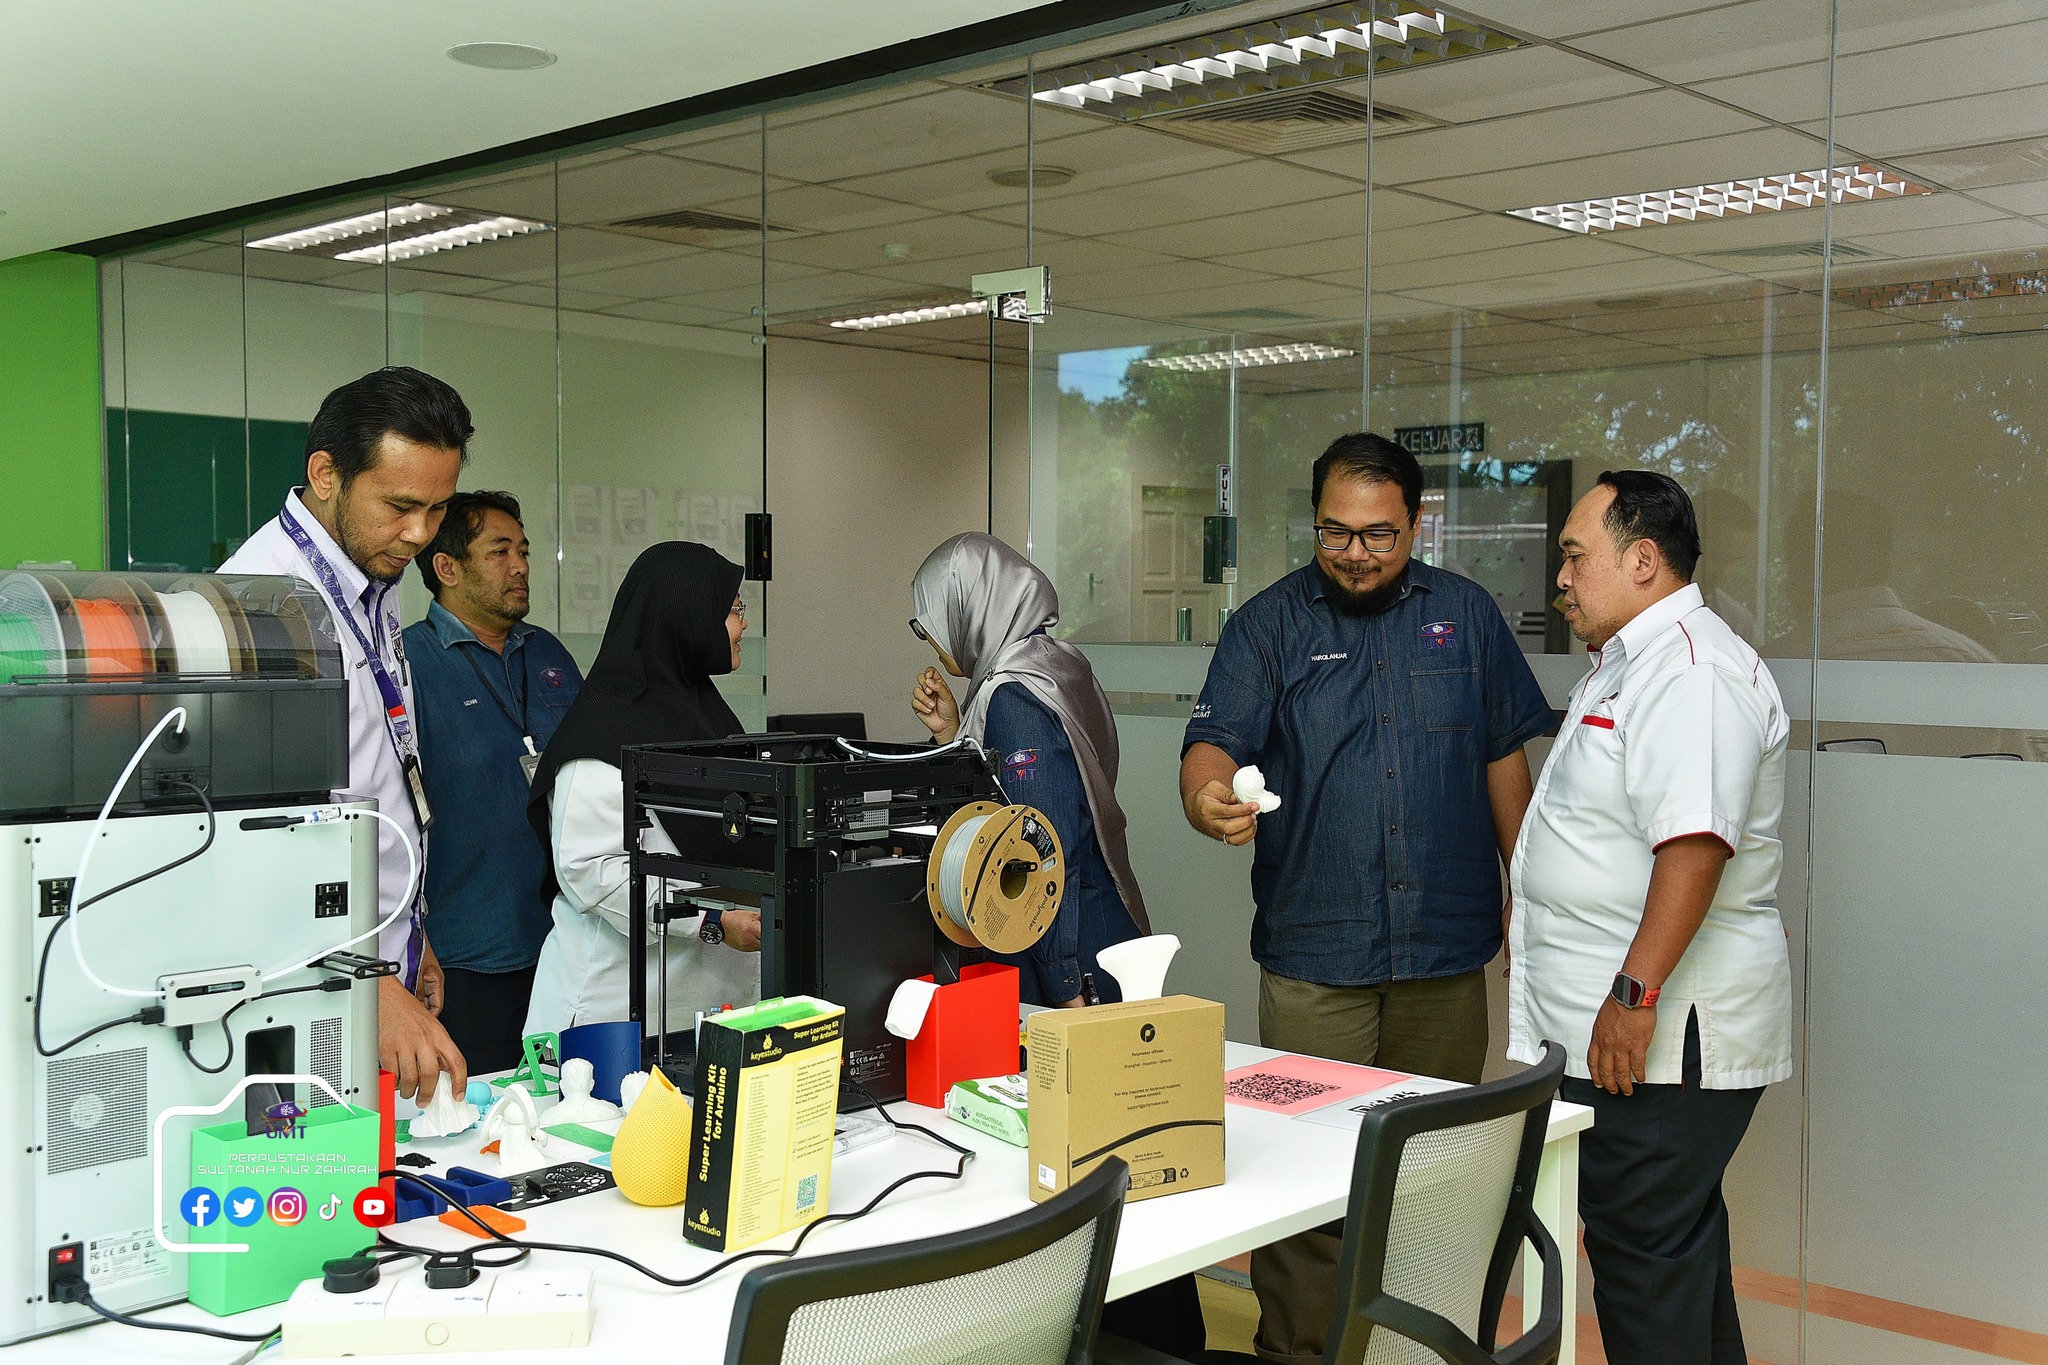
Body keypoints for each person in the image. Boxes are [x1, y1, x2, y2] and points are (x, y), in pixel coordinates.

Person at [1178, 431, 1553, 1364]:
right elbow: (1213, 742)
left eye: (1379, 534)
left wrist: (1531, 894)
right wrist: (1206, 796)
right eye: (1336, 532)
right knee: (1310, 1186)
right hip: (1317, 957)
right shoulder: (1266, 625)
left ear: (1416, 523)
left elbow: (1502, 759)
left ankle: (1413, 1351)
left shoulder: (1465, 616)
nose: (1356, 552)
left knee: (1432, 1176)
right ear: (1315, 522)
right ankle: (1300, 1352)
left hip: (1444, 955)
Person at [1509, 470, 1792, 1365]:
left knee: (1644, 1267)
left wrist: (1633, 994)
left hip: (1662, 1041)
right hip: (1634, 1037)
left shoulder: (1693, 672)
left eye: (1574, 555)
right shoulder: (1637, 661)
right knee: (1673, 1260)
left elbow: (1695, 844)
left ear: (1642, 560)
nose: (1561, 577)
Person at [219, 365, 469, 1103]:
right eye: (400, 506)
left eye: (437, 508)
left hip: (370, 963)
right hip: (299, 986)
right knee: (303, 1167)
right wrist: (367, 978)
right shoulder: (263, 606)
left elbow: (372, 777)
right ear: (326, 475)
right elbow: (250, 838)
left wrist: (408, 935)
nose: (420, 534)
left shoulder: (371, 580)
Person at [523, 542, 761, 1034]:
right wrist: (709, 922)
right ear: (688, 618)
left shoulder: (707, 717)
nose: (742, 624)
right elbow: (591, 871)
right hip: (614, 1007)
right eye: (733, 609)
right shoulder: (602, 736)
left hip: (711, 998)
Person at [909, 532, 1148, 1007]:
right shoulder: (1056, 664)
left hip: (1069, 953)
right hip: (1099, 924)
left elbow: (1042, 853)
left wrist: (1065, 984)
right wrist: (952, 734)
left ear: (968, 610)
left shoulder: (1014, 696)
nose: (930, 639)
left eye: (930, 621)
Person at [403, 491, 584, 1072]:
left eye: (523, 551)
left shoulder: (548, 653)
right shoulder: (410, 662)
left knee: (568, 1103)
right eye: (499, 552)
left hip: (564, 944)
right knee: (481, 1111)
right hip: (465, 956)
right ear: (447, 567)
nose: (520, 566)